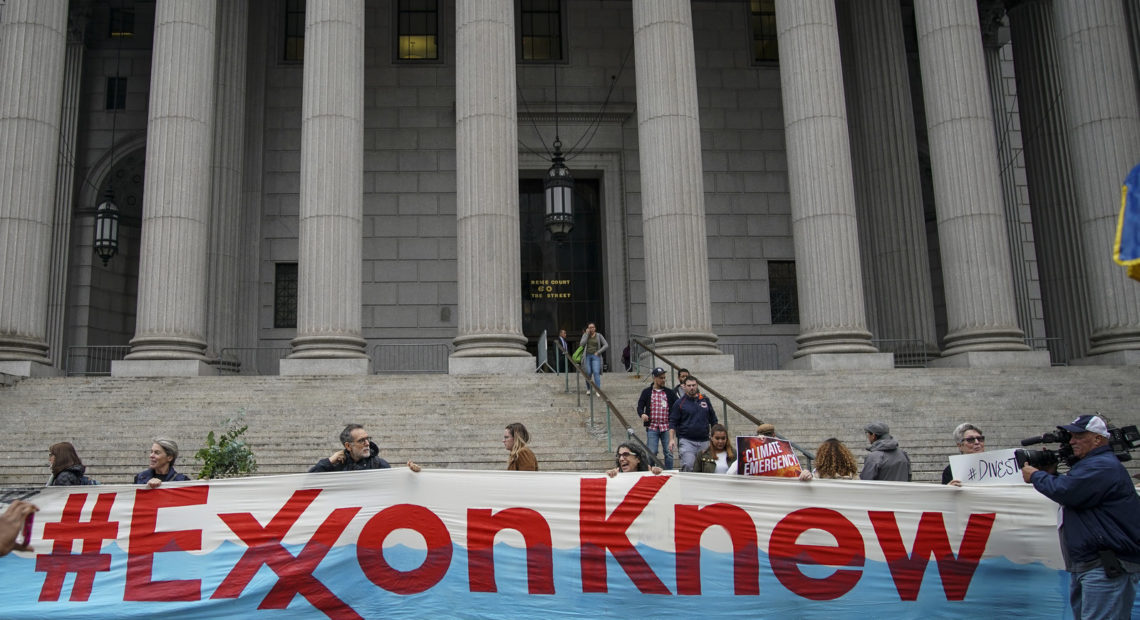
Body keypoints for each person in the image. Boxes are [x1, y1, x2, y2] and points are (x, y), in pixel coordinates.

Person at [1022, 414, 1140, 619]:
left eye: (1078, 436)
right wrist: (1051, 475)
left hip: (1105, 565)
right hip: (1091, 563)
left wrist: (1036, 476)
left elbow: (1068, 492)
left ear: (1098, 439)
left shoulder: (1102, 465)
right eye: (1070, 436)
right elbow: (1077, 494)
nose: (1072, 441)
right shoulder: (1093, 465)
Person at [309, 423, 421, 473]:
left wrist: (411, 474)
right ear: (348, 446)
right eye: (361, 441)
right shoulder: (337, 464)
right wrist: (329, 461)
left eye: (367, 439)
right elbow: (309, 481)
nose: (367, 443)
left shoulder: (380, 465)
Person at [669, 376, 718, 472]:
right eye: (689, 385)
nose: (692, 388)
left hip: (704, 441)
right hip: (687, 441)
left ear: (697, 385)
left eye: (694, 385)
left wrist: (714, 436)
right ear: (684, 387)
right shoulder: (679, 403)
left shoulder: (705, 400)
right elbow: (673, 422)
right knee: (688, 465)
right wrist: (671, 439)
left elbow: (713, 419)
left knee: (707, 468)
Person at [637, 367, 677, 469]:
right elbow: (640, 406)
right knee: (652, 452)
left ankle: (669, 473)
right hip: (652, 426)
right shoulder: (646, 392)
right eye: (661, 378)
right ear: (654, 378)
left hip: (666, 426)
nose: (663, 380)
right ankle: (650, 472)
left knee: (668, 452)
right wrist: (642, 414)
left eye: (664, 378)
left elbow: (677, 405)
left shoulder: (669, 392)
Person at [579, 322, 608, 394]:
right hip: (587, 356)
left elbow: (606, 345)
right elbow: (581, 344)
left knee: (596, 372)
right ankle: (589, 389)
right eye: (589, 327)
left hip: (596, 356)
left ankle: (598, 390)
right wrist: (586, 334)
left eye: (592, 327)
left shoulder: (599, 335)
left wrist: (598, 352)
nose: (591, 329)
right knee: (588, 372)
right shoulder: (585, 335)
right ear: (587, 329)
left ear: (595, 328)